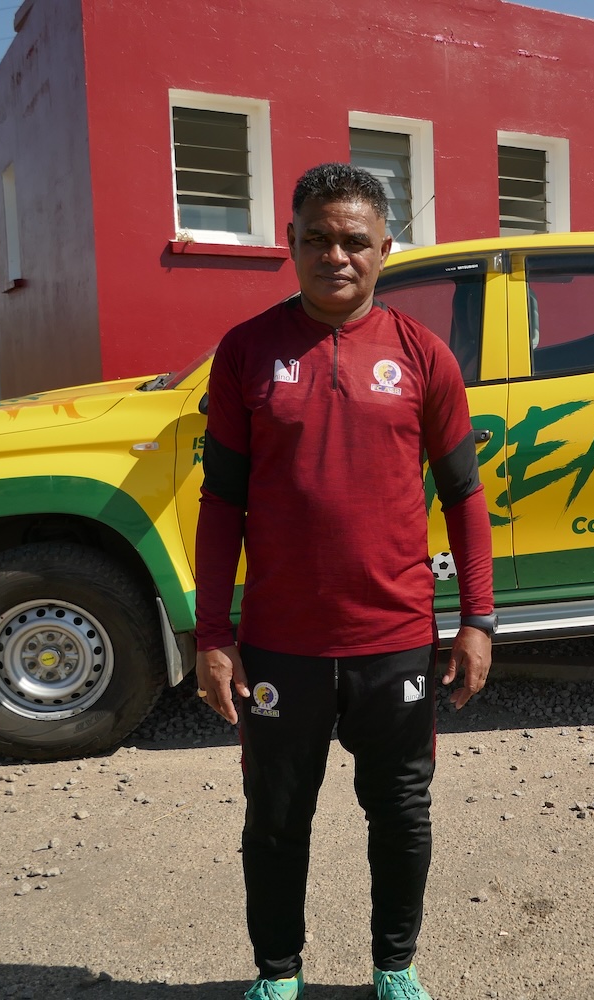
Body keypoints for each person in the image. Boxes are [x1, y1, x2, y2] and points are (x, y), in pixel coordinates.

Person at [193, 162, 496, 1000]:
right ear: (289, 244)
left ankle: (395, 965)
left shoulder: (422, 356)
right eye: (317, 238)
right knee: (276, 820)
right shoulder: (246, 352)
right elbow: (221, 504)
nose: (337, 254)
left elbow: (468, 498)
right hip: (281, 644)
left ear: (384, 249)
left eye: (354, 240)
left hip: (394, 640)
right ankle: (277, 974)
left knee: (400, 817)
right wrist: (212, 634)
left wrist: (479, 621)